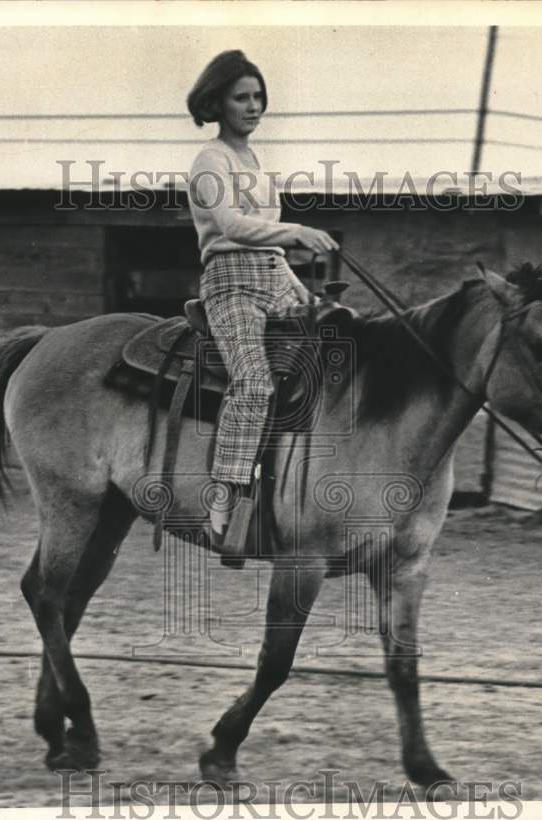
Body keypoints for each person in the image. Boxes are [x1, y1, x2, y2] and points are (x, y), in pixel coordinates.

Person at [186, 49, 339, 549]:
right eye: (241, 98)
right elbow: (231, 226)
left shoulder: (254, 160)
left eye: (258, 97)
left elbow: (271, 248)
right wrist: (295, 230)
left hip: (272, 276)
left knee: (336, 345)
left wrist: (304, 292)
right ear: (218, 104)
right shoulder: (212, 159)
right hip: (230, 282)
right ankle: (224, 493)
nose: (253, 107)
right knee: (253, 384)